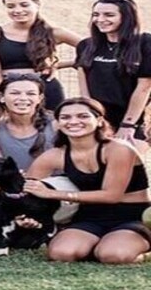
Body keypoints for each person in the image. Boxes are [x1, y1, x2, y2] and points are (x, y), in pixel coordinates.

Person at [23, 97, 151, 264]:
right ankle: (94, 244)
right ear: (58, 124)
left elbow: (112, 196)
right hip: (88, 216)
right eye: (65, 117)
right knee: (61, 253)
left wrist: (53, 194)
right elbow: (27, 189)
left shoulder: (118, 149)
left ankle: (139, 250)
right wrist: (24, 216)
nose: (73, 122)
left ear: (99, 121)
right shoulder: (54, 155)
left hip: (131, 216)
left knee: (113, 255)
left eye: (83, 116)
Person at [0, 73, 56, 246]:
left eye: (30, 93)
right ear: (1, 97)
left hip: (47, 192)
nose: (23, 98)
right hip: (11, 191)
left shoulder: (56, 124)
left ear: (40, 98)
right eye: (15, 93)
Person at [0, 0, 80, 110]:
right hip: (13, 93)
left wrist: (61, 65)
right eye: (11, 6)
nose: (17, 10)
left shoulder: (53, 32)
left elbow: (94, 49)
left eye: (24, 5)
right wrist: (0, 104)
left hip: (46, 91)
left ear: (37, 5)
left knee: (52, 123)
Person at [75, 0, 151, 142]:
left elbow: (144, 87)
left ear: (126, 17)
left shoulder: (144, 43)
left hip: (132, 120)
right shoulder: (85, 46)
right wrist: (92, 118)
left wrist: (128, 124)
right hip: (98, 120)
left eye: (109, 15)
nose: (100, 19)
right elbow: (84, 89)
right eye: (96, 14)